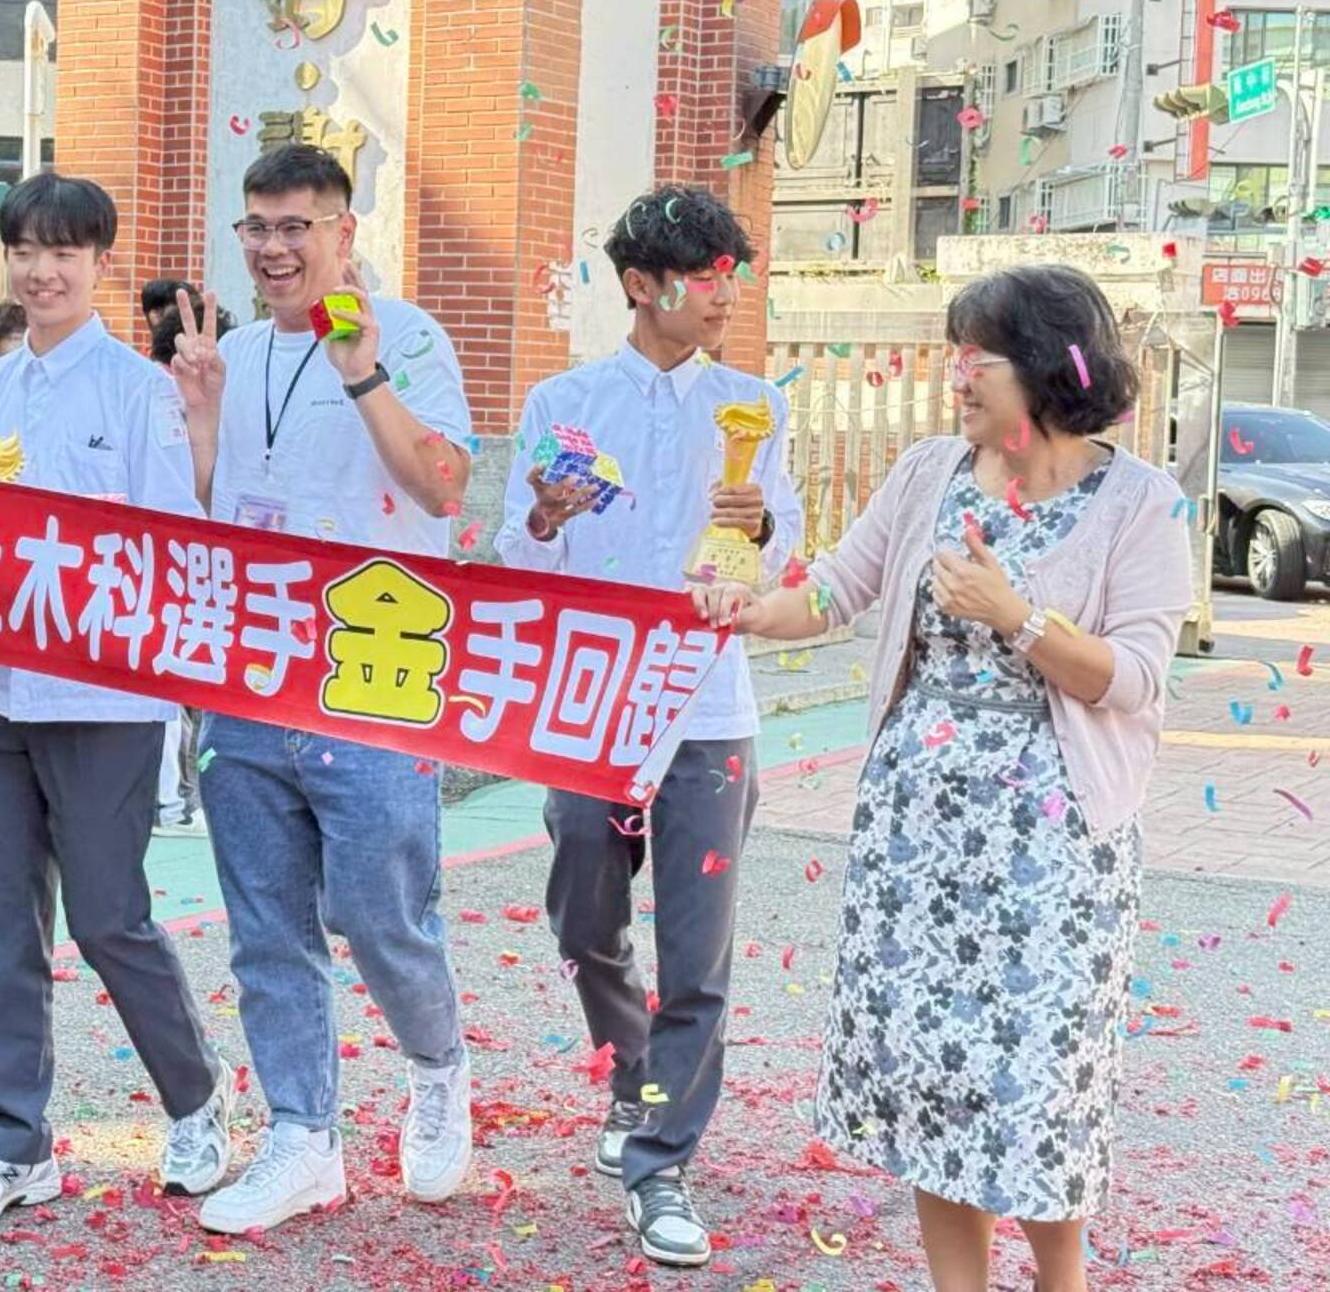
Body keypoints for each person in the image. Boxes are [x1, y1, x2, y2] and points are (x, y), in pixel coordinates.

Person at [692, 264, 1191, 1292]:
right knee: (933, 1079)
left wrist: (1017, 616)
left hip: (1052, 847)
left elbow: (1136, 678)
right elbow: (835, 590)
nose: (955, 376)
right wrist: (749, 612)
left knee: (1037, 1086)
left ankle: (1061, 1282)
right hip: (915, 834)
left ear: (1046, 368)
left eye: (979, 358)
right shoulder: (931, 471)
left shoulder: (1139, 502)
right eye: (953, 354)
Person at [169, 143, 476, 1234]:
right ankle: (303, 1137)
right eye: (256, 226)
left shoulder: (411, 337)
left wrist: (363, 372)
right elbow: (206, 512)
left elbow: (444, 488)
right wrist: (200, 417)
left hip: (372, 676)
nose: (274, 247)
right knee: (265, 925)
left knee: (379, 912)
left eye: (297, 226)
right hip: (250, 671)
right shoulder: (233, 350)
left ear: (345, 233)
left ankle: (437, 1067)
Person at [493, 186, 801, 1266]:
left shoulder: (753, 407)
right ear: (639, 285)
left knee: (697, 949)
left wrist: (759, 524)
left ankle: (659, 1158)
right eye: (700, 277)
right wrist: (545, 514)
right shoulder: (563, 404)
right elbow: (516, 555)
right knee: (584, 917)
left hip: (709, 708)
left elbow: (785, 554)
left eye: (729, 276)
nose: (722, 295)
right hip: (591, 707)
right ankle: (634, 1071)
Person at [0, 172, 231, 1228]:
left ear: (100, 261)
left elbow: (176, 534)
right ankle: (13, 1144)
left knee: (107, 917)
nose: (42, 271)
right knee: (3, 925)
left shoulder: (139, 390)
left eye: (64, 252)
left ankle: (195, 1100)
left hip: (103, 699)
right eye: (25, 251)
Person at [144, 299, 236, 841]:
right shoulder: (160, 394)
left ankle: (168, 801)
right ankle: (171, 804)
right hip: (169, 572)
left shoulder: (157, 388)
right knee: (166, 697)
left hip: (167, 569)